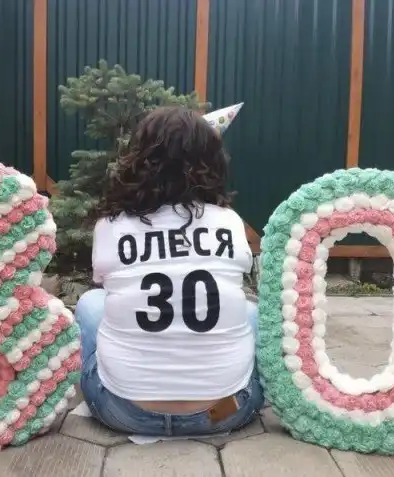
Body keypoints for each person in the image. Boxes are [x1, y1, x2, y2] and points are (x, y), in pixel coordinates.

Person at [76, 106, 264, 436]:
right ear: (213, 162)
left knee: (91, 303)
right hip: (224, 411)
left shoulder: (110, 226)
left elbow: (108, 287)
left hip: (123, 410)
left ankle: (128, 388)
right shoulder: (230, 221)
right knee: (250, 312)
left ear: (137, 159)